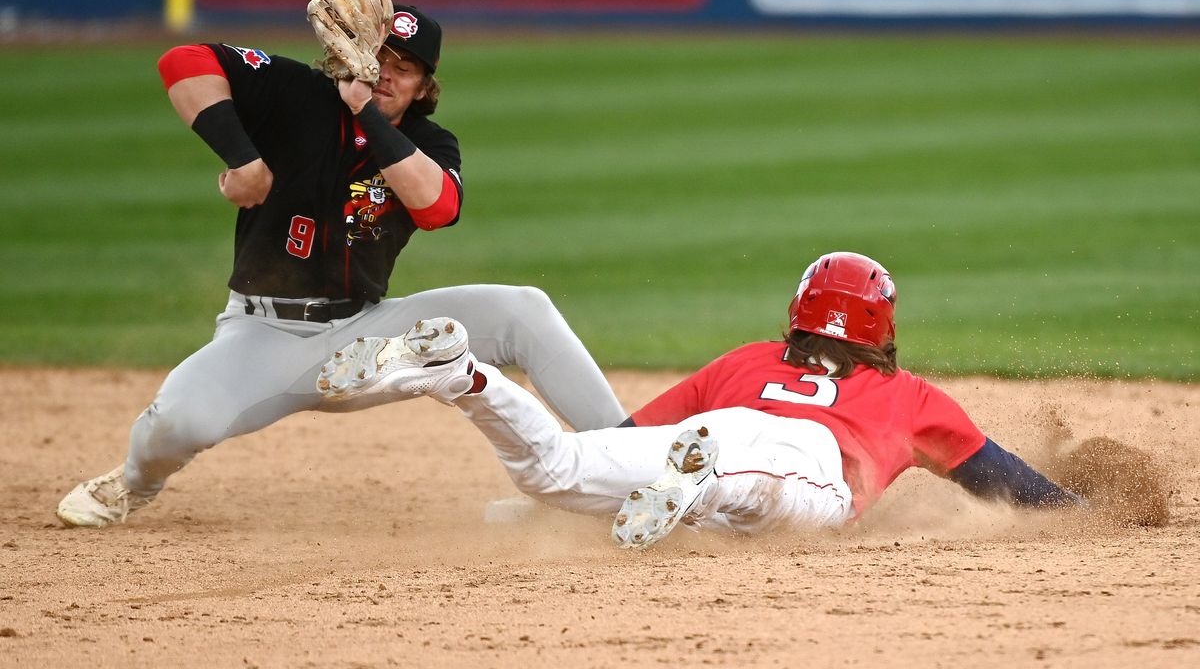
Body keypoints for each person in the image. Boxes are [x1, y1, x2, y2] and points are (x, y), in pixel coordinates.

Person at [55, 0, 627, 528]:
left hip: (372, 339)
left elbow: (435, 205)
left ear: (425, 86)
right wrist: (243, 158)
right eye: (381, 57)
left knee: (522, 310)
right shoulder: (297, 95)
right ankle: (133, 484)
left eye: (404, 68)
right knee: (181, 421)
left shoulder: (432, 143)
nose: (387, 75)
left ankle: (635, 465)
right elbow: (184, 61)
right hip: (266, 335)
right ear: (352, 51)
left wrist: (366, 115)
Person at [314, 251, 1084, 550]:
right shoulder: (908, 394)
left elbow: (625, 432)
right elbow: (1003, 479)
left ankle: (464, 375)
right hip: (803, 458)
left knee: (557, 469)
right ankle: (701, 479)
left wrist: (582, 497)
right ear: (881, 328)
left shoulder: (742, 361)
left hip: (715, 426)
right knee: (776, 498)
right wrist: (1080, 508)